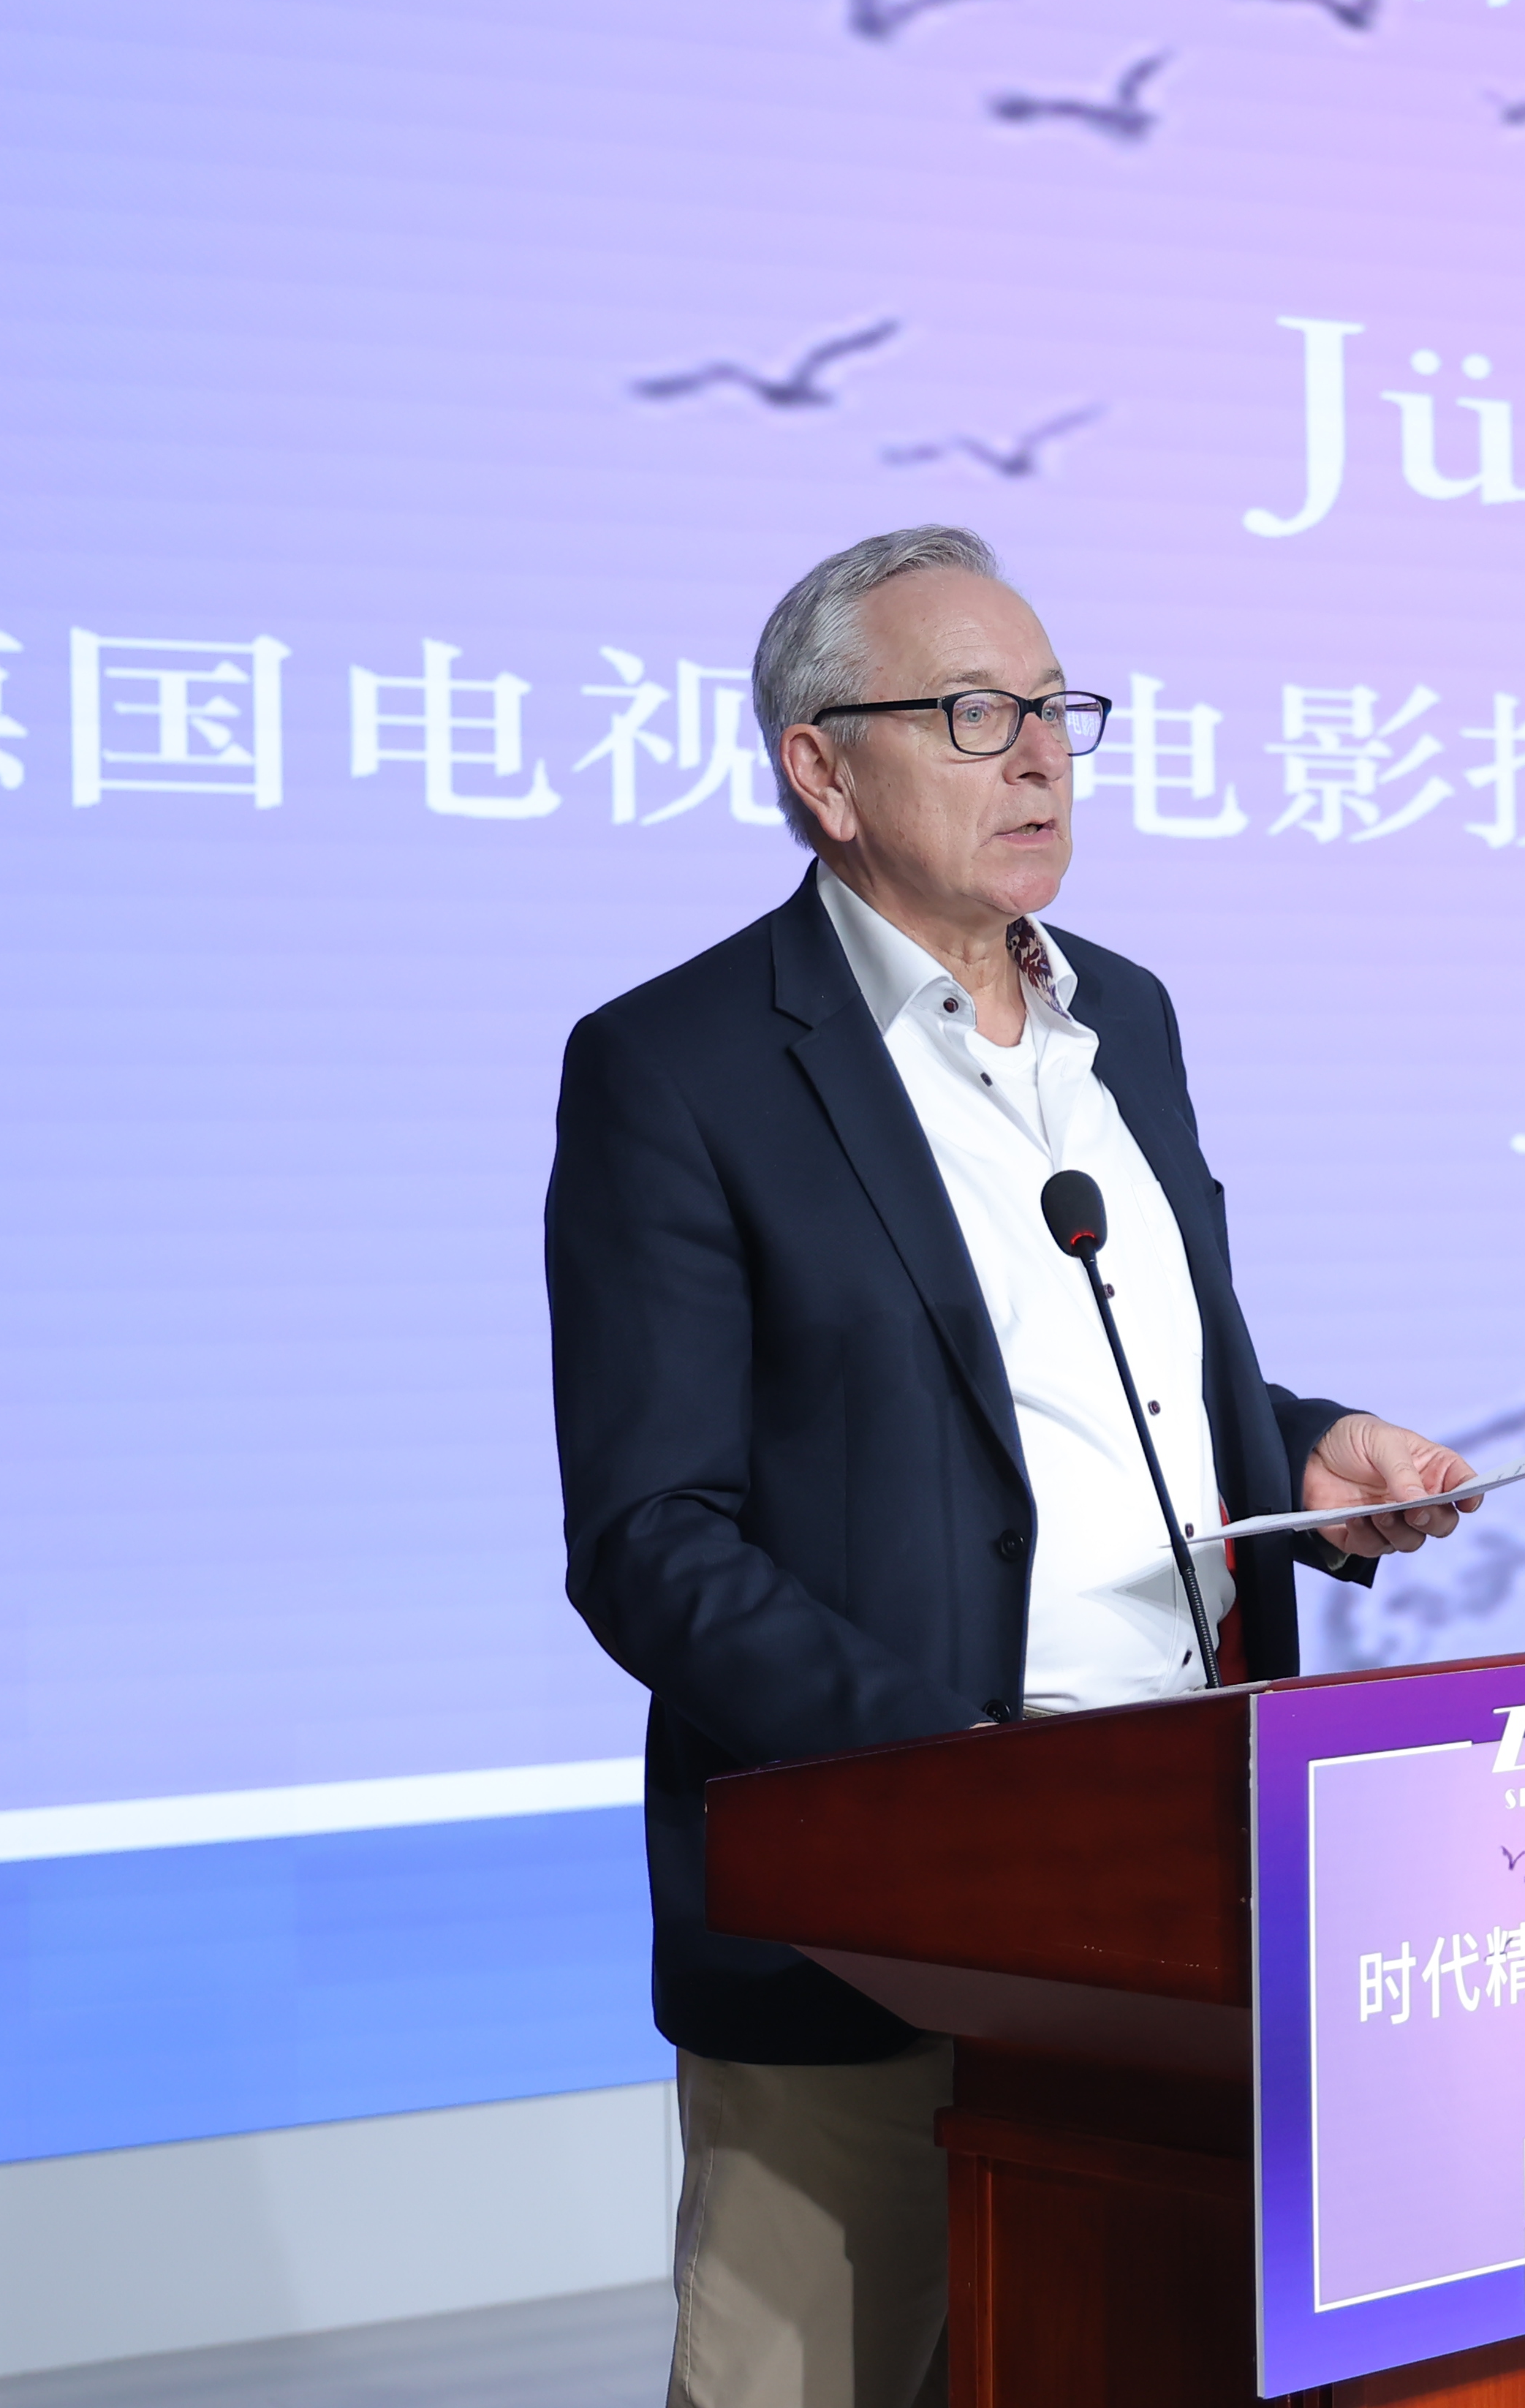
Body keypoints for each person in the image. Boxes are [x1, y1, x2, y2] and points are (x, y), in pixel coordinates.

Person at [547, 524, 1475, 2408]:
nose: (1042, 755)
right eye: (975, 712)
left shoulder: (1128, 1012)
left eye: (1058, 709)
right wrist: (951, 1785)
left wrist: (1304, 1449)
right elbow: (651, 1536)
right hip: (872, 1912)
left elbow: (1092, 1373)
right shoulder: (681, 1064)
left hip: (1182, 1880)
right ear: (823, 771)